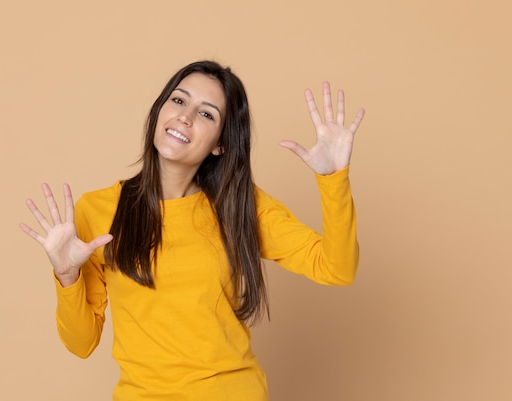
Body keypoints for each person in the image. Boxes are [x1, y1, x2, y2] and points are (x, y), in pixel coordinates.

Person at [19, 60, 365, 400]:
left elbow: (336, 269)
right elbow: (81, 344)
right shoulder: (97, 211)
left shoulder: (239, 205)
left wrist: (333, 180)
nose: (185, 116)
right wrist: (67, 275)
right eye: (179, 100)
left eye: (206, 114)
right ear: (160, 111)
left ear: (221, 144)